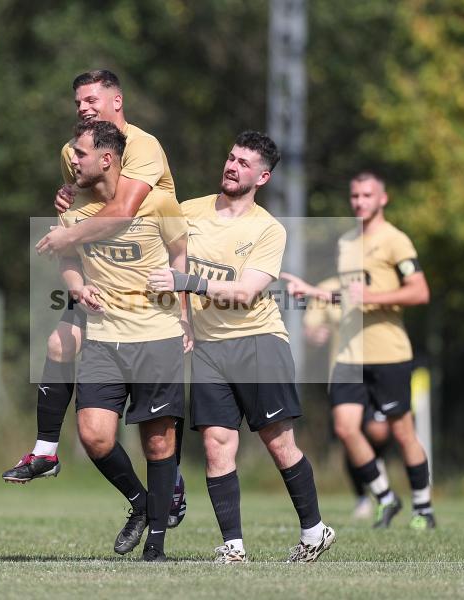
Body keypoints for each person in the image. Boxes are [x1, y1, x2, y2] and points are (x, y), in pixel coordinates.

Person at [1, 69, 186, 528]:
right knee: (59, 346)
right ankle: (47, 452)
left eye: (91, 99)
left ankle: (172, 485)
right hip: (104, 268)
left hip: (147, 272)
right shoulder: (72, 150)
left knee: (158, 422)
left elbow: (122, 210)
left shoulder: (144, 147)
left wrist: (67, 234)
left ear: (117, 101)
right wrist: (66, 209)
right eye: (78, 101)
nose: (83, 107)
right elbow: (82, 201)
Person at [148, 131, 336, 563]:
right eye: (231, 158)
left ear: (263, 176)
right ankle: (233, 547)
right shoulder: (188, 211)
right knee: (216, 443)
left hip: (258, 343)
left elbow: (246, 293)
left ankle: (314, 531)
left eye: (244, 163)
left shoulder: (267, 229)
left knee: (279, 444)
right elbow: (142, 221)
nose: (232, 166)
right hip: (210, 348)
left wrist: (188, 283)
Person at [58, 120, 190, 561]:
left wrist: (185, 313)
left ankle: (155, 546)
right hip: (103, 339)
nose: (72, 159)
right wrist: (76, 286)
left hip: (157, 338)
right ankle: (140, 503)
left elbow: (178, 255)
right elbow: (67, 259)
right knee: (94, 436)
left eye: (79, 153)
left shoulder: (159, 203)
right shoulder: (73, 212)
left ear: (107, 159)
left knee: (157, 442)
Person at [282, 172, 435, 530]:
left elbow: (419, 292)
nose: (360, 201)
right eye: (354, 195)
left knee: (402, 433)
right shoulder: (347, 241)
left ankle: (423, 508)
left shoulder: (396, 241)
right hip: (349, 355)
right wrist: (315, 292)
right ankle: (385, 497)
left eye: (367, 195)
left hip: (389, 353)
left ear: (383, 199)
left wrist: (376, 298)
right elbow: (349, 296)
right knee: (346, 428)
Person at [302, 277, 391, 520]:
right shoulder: (327, 287)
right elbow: (309, 327)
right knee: (349, 433)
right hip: (344, 372)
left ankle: (374, 469)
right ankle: (364, 496)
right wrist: (313, 335)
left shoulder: (383, 281)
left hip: (380, 370)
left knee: (378, 431)